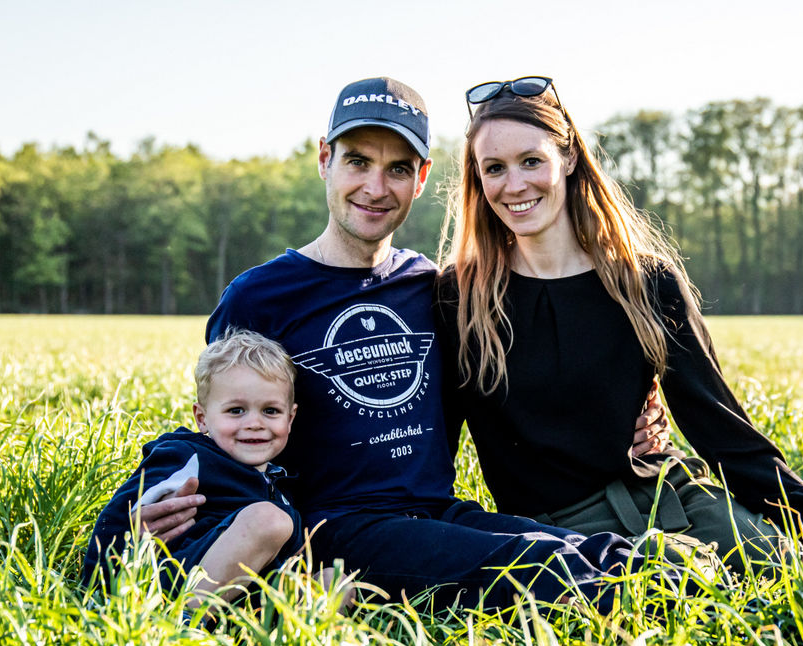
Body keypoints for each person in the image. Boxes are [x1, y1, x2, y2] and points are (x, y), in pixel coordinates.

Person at [131, 77, 680, 614]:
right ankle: (677, 596)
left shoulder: (433, 289)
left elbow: (516, 385)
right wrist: (154, 508)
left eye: (397, 168)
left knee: (571, 546)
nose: (376, 188)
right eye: (358, 162)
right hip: (334, 530)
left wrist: (623, 416)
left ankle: (695, 580)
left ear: (421, 178)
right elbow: (221, 424)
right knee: (541, 568)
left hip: (437, 512)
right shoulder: (259, 298)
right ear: (324, 159)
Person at [437, 76, 803, 607]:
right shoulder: (459, 297)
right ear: (477, 179)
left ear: (569, 157)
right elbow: (432, 449)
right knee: (736, 592)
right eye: (494, 168)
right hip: (569, 533)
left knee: (796, 567)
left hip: (673, 492)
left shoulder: (644, 283)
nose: (514, 184)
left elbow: (721, 430)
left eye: (531, 161)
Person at [83, 329, 311, 607]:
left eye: (270, 411)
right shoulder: (189, 456)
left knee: (334, 583)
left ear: (290, 418)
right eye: (236, 410)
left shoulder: (280, 482)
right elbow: (121, 516)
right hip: (171, 583)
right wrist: (96, 587)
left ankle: (266, 624)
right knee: (270, 520)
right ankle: (184, 619)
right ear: (202, 418)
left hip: (240, 596)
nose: (255, 423)